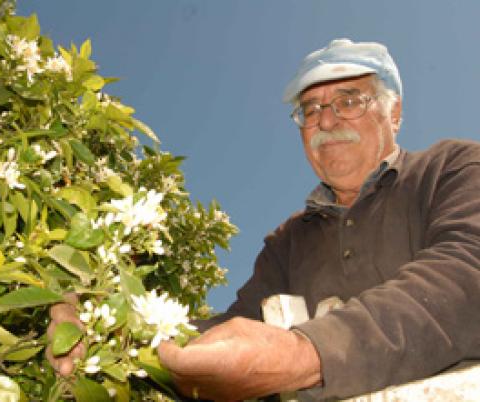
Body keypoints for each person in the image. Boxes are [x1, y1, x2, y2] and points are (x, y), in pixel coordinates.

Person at [48, 39, 480, 401]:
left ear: (395, 113)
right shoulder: (289, 240)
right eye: (310, 110)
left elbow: (465, 274)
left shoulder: (454, 168)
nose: (326, 120)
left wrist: (305, 353)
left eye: (349, 100)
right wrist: (107, 326)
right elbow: (232, 330)